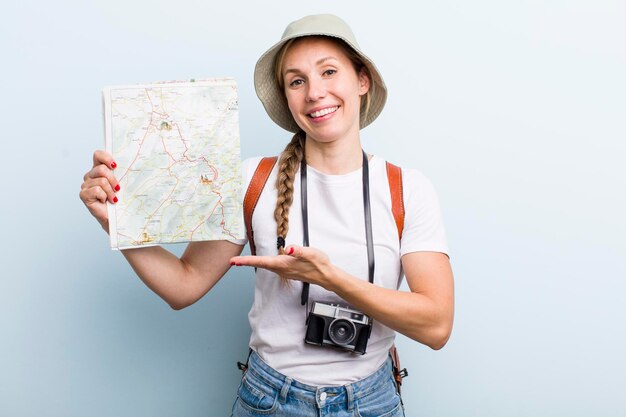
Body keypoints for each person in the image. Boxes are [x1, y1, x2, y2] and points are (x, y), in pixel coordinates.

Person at [79, 14, 454, 417]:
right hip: (269, 400)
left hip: (372, 402)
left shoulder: (407, 189)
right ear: (287, 96)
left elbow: (436, 326)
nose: (315, 92)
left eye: (329, 71)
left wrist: (330, 279)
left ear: (361, 81)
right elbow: (182, 287)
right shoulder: (253, 181)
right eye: (297, 81)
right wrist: (118, 223)